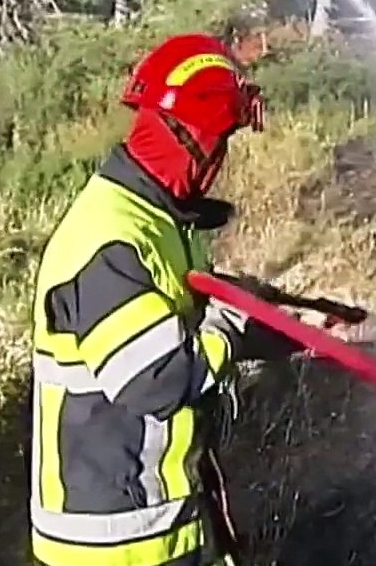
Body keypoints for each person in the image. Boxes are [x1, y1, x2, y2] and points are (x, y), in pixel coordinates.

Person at [28, 34, 304, 566]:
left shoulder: (159, 217)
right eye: (221, 138)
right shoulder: (109, 239)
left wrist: (283, 329)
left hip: (164, 522)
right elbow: (158, 380)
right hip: (111, 544)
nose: (222, 158)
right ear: (191, 134)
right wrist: (234, 320)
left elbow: (186, 320)